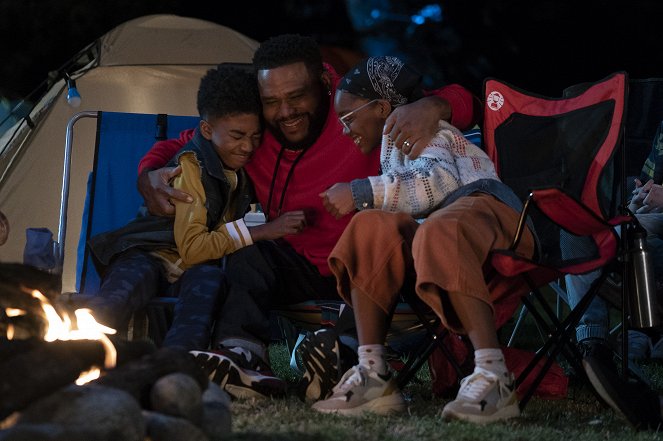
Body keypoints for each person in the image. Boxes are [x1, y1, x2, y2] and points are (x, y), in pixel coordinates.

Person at [137, 34, 481, 400]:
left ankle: (341, 358)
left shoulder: (356, 109)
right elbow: (182, 143)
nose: (285, 112)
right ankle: (243, 358)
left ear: (325, 83)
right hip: (297, 266)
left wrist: (434, 106)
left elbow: (468, 102)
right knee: (249, 252)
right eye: (272, 101)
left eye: (296, 96)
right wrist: (148, 175)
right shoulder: (255, 131)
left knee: (377, 241)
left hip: (369, 264)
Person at [310, 55, 535, 423]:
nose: (344, 130)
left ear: (382, 107)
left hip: (491, 219)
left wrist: (361, 190)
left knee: (438, 226)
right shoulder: (393, 142)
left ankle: (494, 376)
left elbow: (438, 185)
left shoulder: (424, 130)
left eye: (348, 118)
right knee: (369, 226)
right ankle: (373, 373)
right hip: (442, 240)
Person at [84, 65, 306, 353]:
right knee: (132, 280)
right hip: (150, 251)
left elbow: (197, 258)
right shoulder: (191, 166)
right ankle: (80, 345)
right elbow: (193, 248)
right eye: (238, 136)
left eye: (255, 136)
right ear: (206, 130)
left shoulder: (241, 168)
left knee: (209, 280)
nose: (248, 146)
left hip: (195, 267)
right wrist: (261, 231)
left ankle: (180, 361)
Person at [565, 122, 663, 363]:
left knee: (619, 238)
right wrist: (636, 198)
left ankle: (644, 330)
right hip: (645, 220)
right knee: (578, 232)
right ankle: (593, 341)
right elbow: (647, 180)